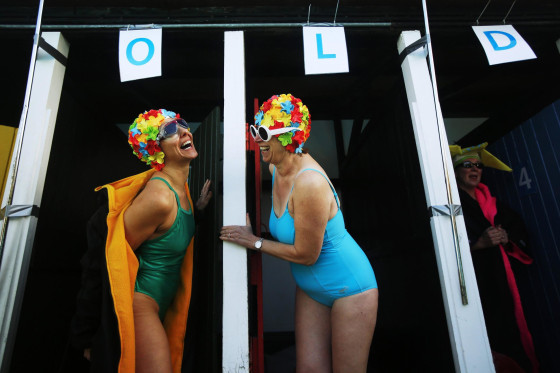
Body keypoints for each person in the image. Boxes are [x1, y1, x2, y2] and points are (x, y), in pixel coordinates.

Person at [220, 94, 378, 373]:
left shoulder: (310, 183)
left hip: (350, 288)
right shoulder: (276, 167)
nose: (257, 139)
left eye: (264, 133)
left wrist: (254, 241)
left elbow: (306, 255)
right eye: (254, 131)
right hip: (311, 289)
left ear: (289, 137)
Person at [70, 109, 212, 373]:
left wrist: (199, 212)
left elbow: (167, 236)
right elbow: (104, 260)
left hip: (163, 305)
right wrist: (86, 334)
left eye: (181, 123)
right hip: (140, 307)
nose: (183, 131)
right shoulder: (158, 198)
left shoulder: (181, 189)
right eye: (170, 131)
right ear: (155, 150)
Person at [450, 143, 538, 373]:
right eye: (467, 165)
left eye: (478, 165)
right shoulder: (453, 205)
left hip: (503, 280)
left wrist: (506, 236)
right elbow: (445, 246)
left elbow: (519, 232)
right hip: (475, 284)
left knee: (511, 331)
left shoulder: (494, 203)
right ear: (457, 171)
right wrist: (479, 244)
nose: (474, 169)